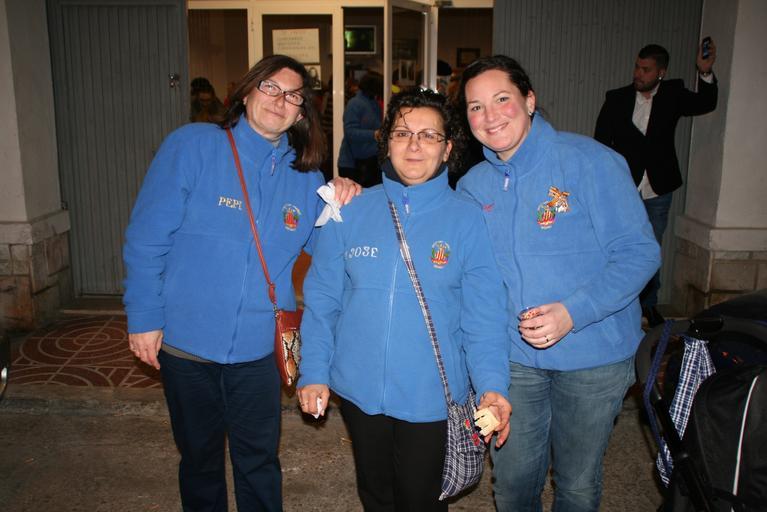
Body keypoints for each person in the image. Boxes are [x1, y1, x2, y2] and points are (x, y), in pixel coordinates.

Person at [123, 54, 360, 512]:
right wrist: (144, 316)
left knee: (259, 461)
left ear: (302, 112)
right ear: (247, 91)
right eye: (270, 87)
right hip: (187, 344)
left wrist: (348, 199)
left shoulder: (305, 178)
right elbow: (146, 238)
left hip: (259, 351)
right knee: (200, 461)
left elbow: (332, 249)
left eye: (293, 96)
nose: (280, 100)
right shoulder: (193, 146)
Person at [455, 55, 661, 511]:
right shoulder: (473, 187)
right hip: (512, 361)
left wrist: (573, 312)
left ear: (529, 100)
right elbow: (468, 276)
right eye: (475, 107)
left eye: (502, 99)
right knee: (512, 485)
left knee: (577, 484)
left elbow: (640, 253)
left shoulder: (591, 162)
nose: (490, 116)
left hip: (594, 358)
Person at [298, 88, 513, 511]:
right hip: (359, 391)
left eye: (429, 135)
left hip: (430, 396)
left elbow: (484, 317)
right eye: (402, 133)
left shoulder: (467, 219)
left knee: (421, 500)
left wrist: (492, 386)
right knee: (375, 495)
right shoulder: (350, 210)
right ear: (387, 143)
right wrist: (314, 371)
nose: (414, 145)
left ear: (447, 148)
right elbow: (322, 302)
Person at [595, 41, 718, 326]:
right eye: (637, 67)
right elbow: (600, 144)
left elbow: (706, 103)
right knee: (616, 247)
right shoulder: (616, 98)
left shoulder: (673, 95)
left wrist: (705, 72)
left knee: (651, 248)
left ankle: (648, 306)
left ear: (661, 72)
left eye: (646, 69)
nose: (638, 74)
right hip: (623, 189)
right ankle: (618, 305)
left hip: (658, 187)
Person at [337, 71, 383, 187]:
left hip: (370, 161)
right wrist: (374, 134)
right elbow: (350, 132)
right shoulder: (355, 104)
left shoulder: (374, 103)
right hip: (353, 164)